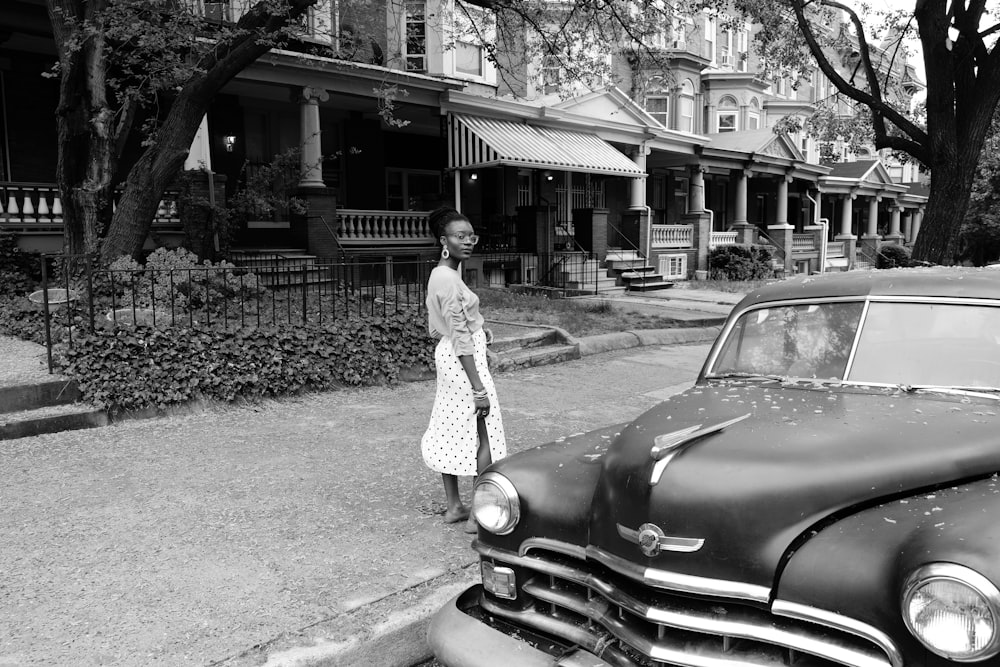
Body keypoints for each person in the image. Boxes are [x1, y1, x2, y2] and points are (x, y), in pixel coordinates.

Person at [420, 206, 506, 533]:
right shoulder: (447, 277)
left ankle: (455, 506)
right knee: (482, 432)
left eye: (471, 236)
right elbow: (457, 333)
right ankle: (477, 515)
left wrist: (480, 332)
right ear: (444, 240)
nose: (468, 242)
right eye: (460, 236)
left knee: (452, 429)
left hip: (455, 355)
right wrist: (478, 386)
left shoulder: (444, 273)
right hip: (462, 361)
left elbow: (444, 326)